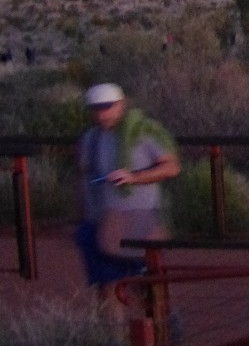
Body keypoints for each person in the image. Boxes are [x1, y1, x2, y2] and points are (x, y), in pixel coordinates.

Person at [75, 82, 181, 287]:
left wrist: (134, 178)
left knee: (143, 285)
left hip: (141, 218)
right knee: (107, 285)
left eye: (108, 107)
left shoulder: (143, 132)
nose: (102, 114)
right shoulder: (90, 139)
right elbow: (83, 178)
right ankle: (110, 321)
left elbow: (172, 167)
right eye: (97, 109)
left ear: (121, 104)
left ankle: (162, 319)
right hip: (102, 220)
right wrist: (82, 217)